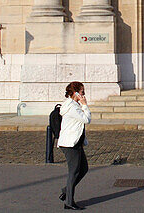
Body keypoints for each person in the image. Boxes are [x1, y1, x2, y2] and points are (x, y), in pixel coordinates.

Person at [56, 80, 91, 210]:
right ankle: (69, 202)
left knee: (83, 168)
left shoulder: (74, 105)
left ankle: (66, 190)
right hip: (70, 144)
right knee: (74, 172)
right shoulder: (72, 107)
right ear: (75, 93)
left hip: (76, 142)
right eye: (82, 92)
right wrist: (84, 105)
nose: (84, 95)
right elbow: (87, 119)